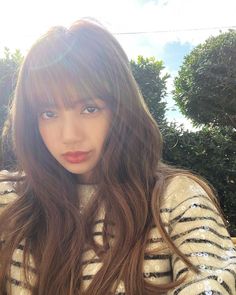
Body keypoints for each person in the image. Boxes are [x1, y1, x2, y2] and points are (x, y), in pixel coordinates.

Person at [0, 19, 235, 295]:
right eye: (48, 113)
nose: (69, 135)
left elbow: (215, 277)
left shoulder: (175, 198)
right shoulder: (10, 198)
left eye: (89, 108)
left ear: (120, 110)